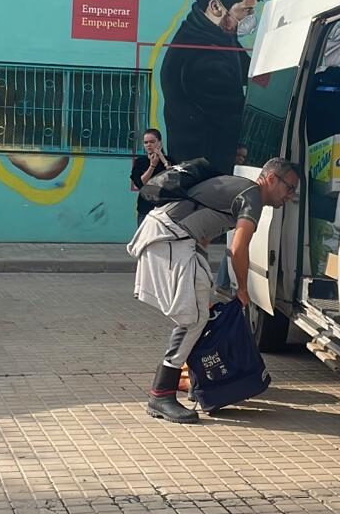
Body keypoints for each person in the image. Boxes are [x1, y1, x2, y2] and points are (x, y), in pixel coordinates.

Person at [127, 157, 300, 423]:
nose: (290, 196)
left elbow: (205, 232)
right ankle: (161, 394)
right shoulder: (252, 195)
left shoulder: (243, 190)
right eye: (289, 188)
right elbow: (238, 249)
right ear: (272, 179)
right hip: (170, 237)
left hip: (175, 238)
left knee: (197, 315)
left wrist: (202, 281)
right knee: (193, 320)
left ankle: (192, 382)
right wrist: (242, 289)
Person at [160, 0, 270, 175]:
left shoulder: (219, 35)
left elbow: (252, 74)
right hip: (206, 179)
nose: (251, 17)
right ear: (216, 7)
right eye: (246, 10)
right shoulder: (202, 57)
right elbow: (235, 118)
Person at [130, 128, 173, 226]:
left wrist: (163, 159)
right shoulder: (140, 162)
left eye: (152, 142)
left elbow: (173, 179)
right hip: (145, 208)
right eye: (146, 142)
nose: (148, 145)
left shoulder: (169, 160)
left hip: (164, 208)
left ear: (159, 143)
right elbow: (140, 184)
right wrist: (152, 166)